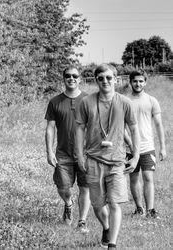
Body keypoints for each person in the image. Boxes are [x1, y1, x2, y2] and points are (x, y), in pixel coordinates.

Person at [76, 63, 140, 250]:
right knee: (97, 205)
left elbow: (134, 129)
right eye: (101, 78)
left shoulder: (125, 102)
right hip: (94, 160)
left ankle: (112, 243)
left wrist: (135, 156)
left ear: (116, 78)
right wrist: (80, 155)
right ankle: (106, 227)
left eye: (109, 78)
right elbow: (79, 129)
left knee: (114, 203)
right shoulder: (86, 102)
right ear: (96, 80)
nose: (105, 81)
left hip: (117, 161)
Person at [45, 66, 91, 232]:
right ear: (63, 79)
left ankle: (82, 221)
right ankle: (69, 204)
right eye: (68, 76)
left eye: (74, 76)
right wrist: (49, 151)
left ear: (80, 79)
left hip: (86, 154)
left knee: (85, 187)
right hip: (63, 153)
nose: (71, 78)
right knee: (63, 187)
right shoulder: (55, 102)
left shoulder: (89, 100)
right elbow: (50, 127)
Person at [126, 69, 166, 218]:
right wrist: (128, 144)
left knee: (148, 178)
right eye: (135, 81)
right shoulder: (125, 101)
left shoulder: (151, 100)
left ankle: (150, 210)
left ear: (145, 82)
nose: (138, 83)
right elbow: (121, 126)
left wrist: (162, 147)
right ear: (130, 82)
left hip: (148, 147)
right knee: (134, 178)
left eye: (141, 81)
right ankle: (139, 208)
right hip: (129, 148)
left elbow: (158, 125)